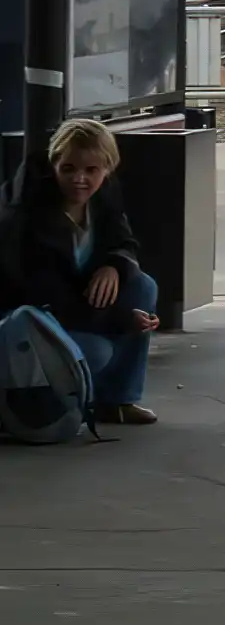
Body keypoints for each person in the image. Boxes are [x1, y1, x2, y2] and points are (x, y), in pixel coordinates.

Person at [12, 118, 160, 428]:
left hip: (75, 305)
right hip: (29, 322)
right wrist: (122, 320)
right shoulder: (27, 215)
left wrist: (113, 265)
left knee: (142, 286)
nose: (79, 179)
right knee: (98, 351)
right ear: (54, 165)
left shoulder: (104, 195)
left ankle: (117, 401)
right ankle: (42, 402)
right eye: (68, 169)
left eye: (91, 171)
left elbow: (125, 241)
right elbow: (44, 298)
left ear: (107, 170)